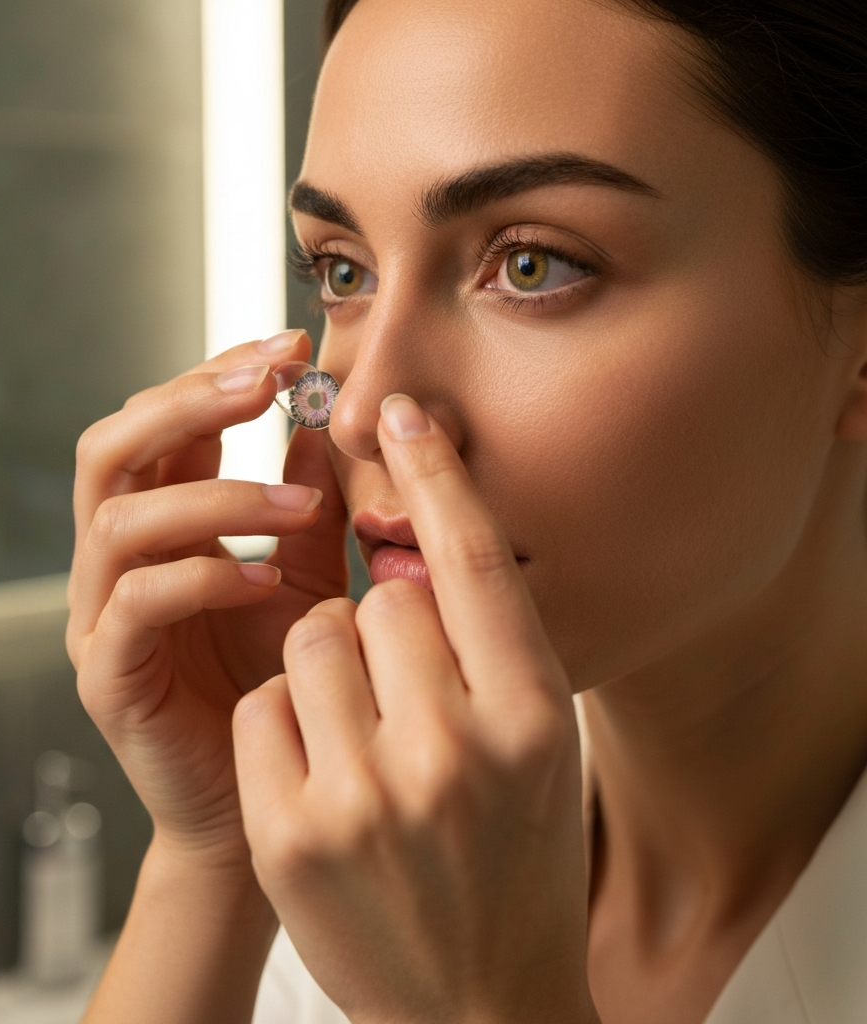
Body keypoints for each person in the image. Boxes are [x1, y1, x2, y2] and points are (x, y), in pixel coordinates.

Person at [66, 0, 867, 1021]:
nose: (359, 411)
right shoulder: (359, 834)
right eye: (342, 271)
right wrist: (218, 851)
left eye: (533, 265)